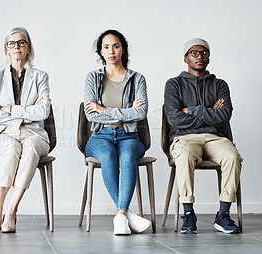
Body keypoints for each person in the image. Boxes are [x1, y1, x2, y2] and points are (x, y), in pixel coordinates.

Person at [164, 38, 243, 234]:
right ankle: (188, 214)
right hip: (185, 139)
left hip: (216, 138)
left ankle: (223, 215)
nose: (200, 56)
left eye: (204, 53)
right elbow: (174, 119)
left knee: (232, 157)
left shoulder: (219, 85)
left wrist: (190, 109)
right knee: (184, 157)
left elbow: (224, 115)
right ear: (185, 58)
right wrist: (209, 113)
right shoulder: (174, 84)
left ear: (209, 58)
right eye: (194, 53)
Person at [0, 27, 51, 233]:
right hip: (0, 134)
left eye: (21, 42)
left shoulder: (41, 76)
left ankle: (10, 212)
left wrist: (11, 109)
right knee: (11, 148)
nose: (17, 46)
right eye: (12, 43)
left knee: (29, 147)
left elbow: (43, 110)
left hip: (35, 134)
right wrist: (24, 117)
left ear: (28, 47)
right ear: (6, 48)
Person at [84, 29, 151, 235]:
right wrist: (125, 112)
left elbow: (141, 112)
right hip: (100, 136)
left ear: (123, 49)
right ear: (100, 52)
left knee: (128, 154)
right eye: (106, 47)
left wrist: (105, 110)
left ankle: (121, 214)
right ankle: (125, 214)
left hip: (129, 136)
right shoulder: (92, 78)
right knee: (107, 155)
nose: (111, 50)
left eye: (116, 46)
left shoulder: (137, 79)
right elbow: (91, 115)